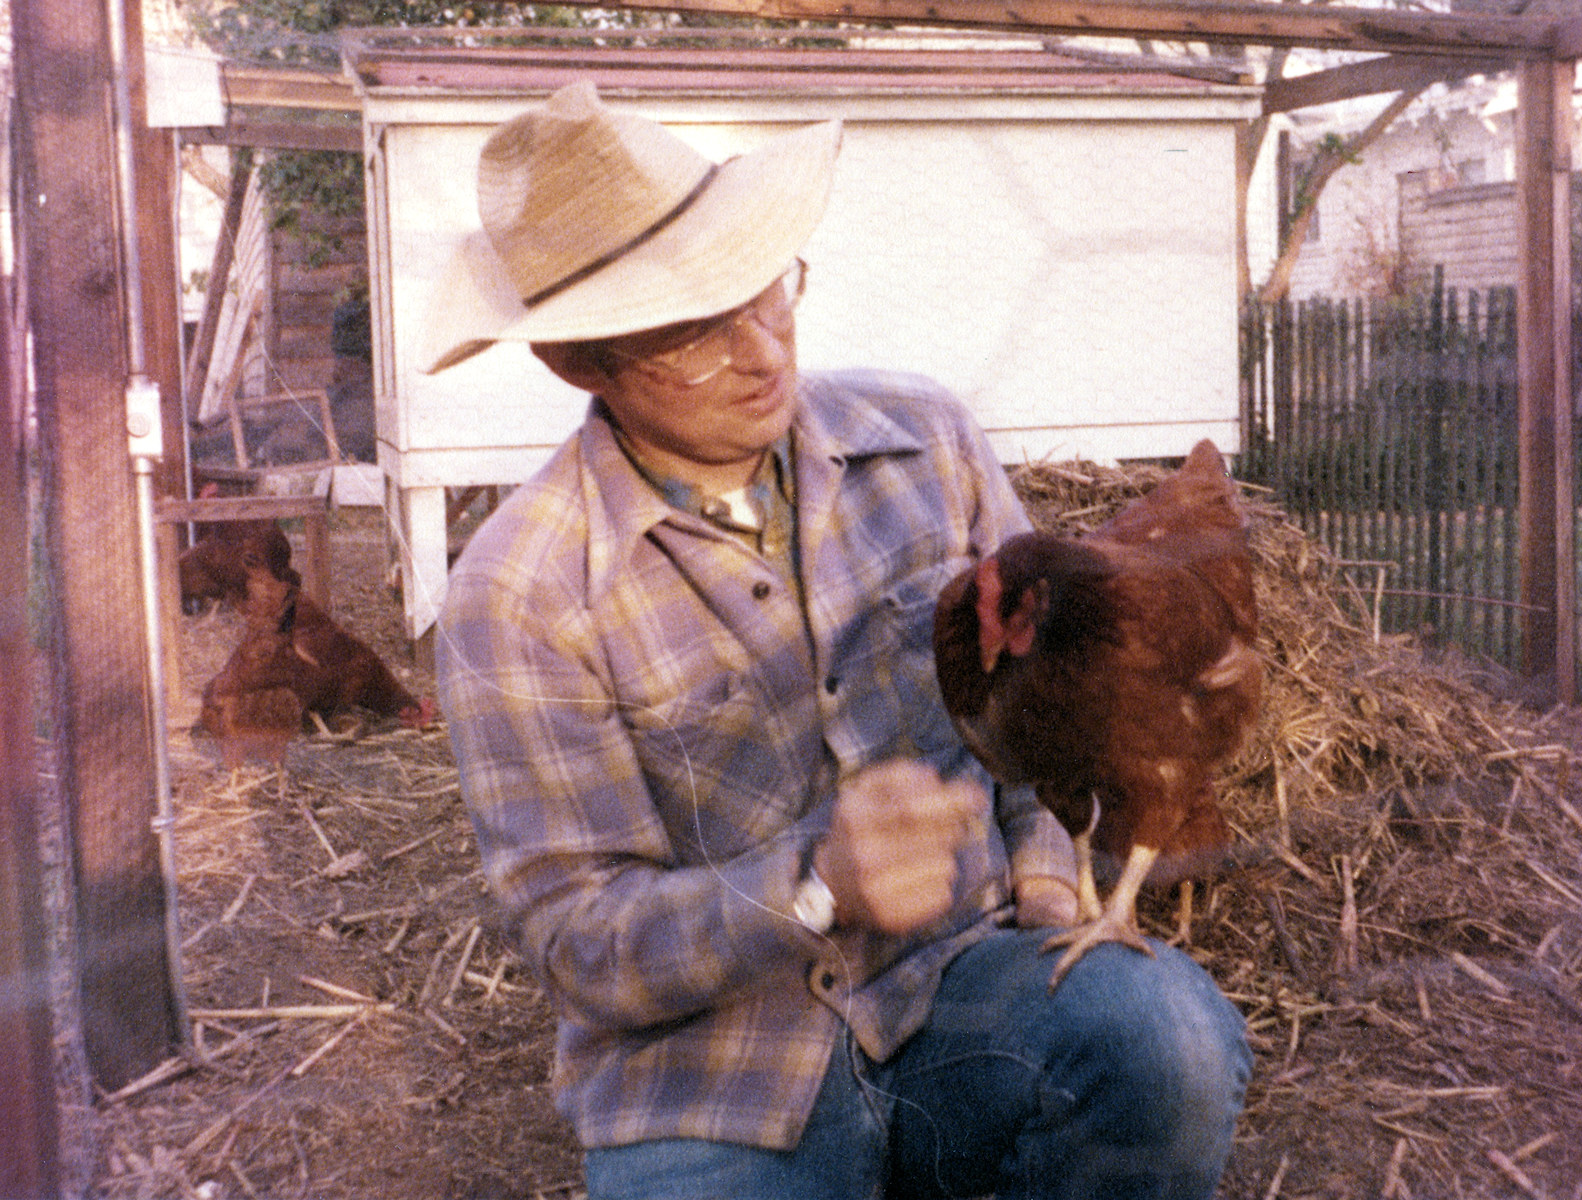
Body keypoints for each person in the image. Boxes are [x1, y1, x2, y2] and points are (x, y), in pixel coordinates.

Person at [430, 80, 1251, 1200]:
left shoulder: (928, 444)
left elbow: (1051, 726)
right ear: (581, 363)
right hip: (709, 1073)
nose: (762, 349)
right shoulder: (519, 593)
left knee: (1161, 1039)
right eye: (692, 334)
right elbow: (583, 941)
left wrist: (1052, 910)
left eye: (765, 287)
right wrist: (814, 883)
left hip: (961, 991)